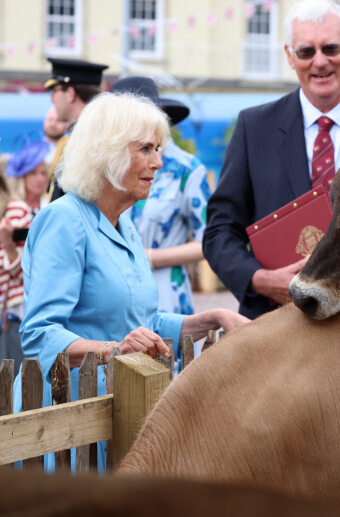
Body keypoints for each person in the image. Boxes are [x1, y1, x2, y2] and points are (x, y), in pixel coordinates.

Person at [13, 92, 248, 469]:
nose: (158, 162)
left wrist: (214, 318)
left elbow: (145, 324)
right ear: (107, 153)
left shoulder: (124, 223)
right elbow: (39, 334)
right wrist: (114, 349)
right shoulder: (65, 220)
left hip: (116, 415)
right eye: (146, 149)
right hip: (66, 427)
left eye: (158, 149)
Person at [203, 0, 340, 319]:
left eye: (331, 48)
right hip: (276, 323)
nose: (320, 62)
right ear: (289, 57)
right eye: (306, 52)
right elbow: (219, 233)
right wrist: (261, 280)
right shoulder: (253, 128)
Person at [110, 76, 209, 319]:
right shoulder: (107, 168)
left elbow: (209, 240)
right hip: (111, 293)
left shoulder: (186, 169)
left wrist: (151, 257)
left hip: (164, 293)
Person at [43, 57, 109, 201]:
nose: (52, 99)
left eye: (54, 91)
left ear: (70, 94)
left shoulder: (92, 137)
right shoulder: (82, 132)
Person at [0, 164, 32, 371]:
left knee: (11, 382)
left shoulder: (17, 210)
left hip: (11, 313)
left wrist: (8, 244)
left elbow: (26, 267)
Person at [6, 139, 50, 217]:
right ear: (21, 177)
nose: (40, 179)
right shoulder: (14, 208)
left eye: (43, 173)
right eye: (33, 173)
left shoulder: (48, 205)